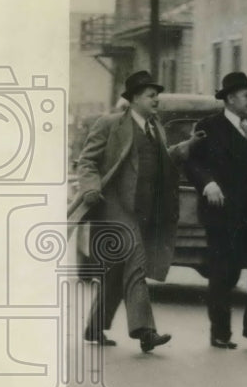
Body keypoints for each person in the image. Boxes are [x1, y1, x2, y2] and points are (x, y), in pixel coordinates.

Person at [71, 70, 200, 353]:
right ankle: (145, 331)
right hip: (115, 207)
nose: (157, 100)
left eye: (157, 96)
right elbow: (87, 162)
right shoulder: (110, 124)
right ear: (134, 99)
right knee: (136, 264)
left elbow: (166, 161)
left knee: (117, 272)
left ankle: (95, 328)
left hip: (145, 211)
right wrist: (91, 186)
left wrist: (189, 145)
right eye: (151, 96)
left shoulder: (157, 128)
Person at [186, 72, 247, 349]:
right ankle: (220, 332)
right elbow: (192, 163)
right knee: (223, 272)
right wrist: (208, 183)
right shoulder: (208, 126)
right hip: (223, 214)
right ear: (229, 98)